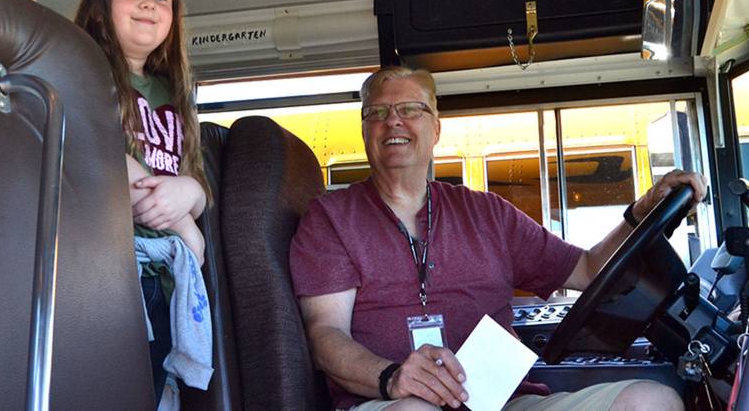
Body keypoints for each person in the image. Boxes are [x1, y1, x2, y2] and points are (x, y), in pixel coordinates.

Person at [289, 66, 707, 411]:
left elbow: (587, 269)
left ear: (436, 129)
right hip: (390, 401)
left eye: (410, 109)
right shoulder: (331, 219)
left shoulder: (487, 213)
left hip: (501, 402)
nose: (392, 121)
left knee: (652, 401)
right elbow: (325, 335)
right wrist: (393, 377)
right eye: (377, 112)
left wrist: (640, 212)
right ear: (364, 130)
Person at [75, 0, 212, 407]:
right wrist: (186, 228)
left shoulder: (172, 91)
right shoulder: (82, 72)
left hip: (165, 282)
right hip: (109, 268)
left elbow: (196, 184)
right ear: (99, 6)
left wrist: (190, 193)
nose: (148, 3)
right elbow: (108, 160)